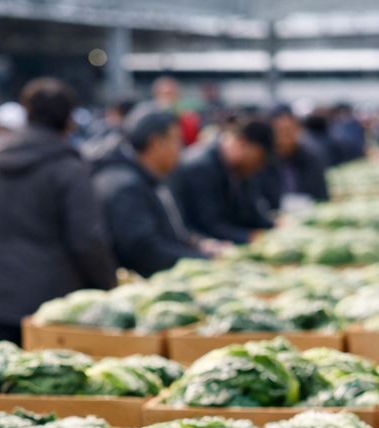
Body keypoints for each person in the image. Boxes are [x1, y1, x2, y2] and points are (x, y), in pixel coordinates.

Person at [0, 77, 115, 346]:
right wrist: (107, 287)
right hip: (52, 306)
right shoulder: (69, 168)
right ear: (69, 120)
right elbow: (87, 240)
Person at [90, 105, 211, 278]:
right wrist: (202, 260)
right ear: (156, 143)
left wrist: (197, 244)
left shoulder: (149, 176)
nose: (181, 148)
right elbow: (145, 252)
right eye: (176, 140)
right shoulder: (124, 185)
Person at [171, 119, 275, 244]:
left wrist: (272, 227)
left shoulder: (240, 172)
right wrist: (251, 237)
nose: (259, 167)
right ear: (242, 142)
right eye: (260, 158)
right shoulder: (200, 168)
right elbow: (209, 225)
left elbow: (250, 213)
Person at [255, 105, 328, 211]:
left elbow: (321, 196)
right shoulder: (264, 162)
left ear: (298, 130)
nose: (285, 137)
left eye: (289, 131)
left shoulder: (312, 158)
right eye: (279, 132)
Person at [152, 76, 201, 146]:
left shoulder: (187, 120)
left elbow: (193, 144)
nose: (168, 98)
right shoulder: (147, 116)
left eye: (172, 94)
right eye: (165, 94)